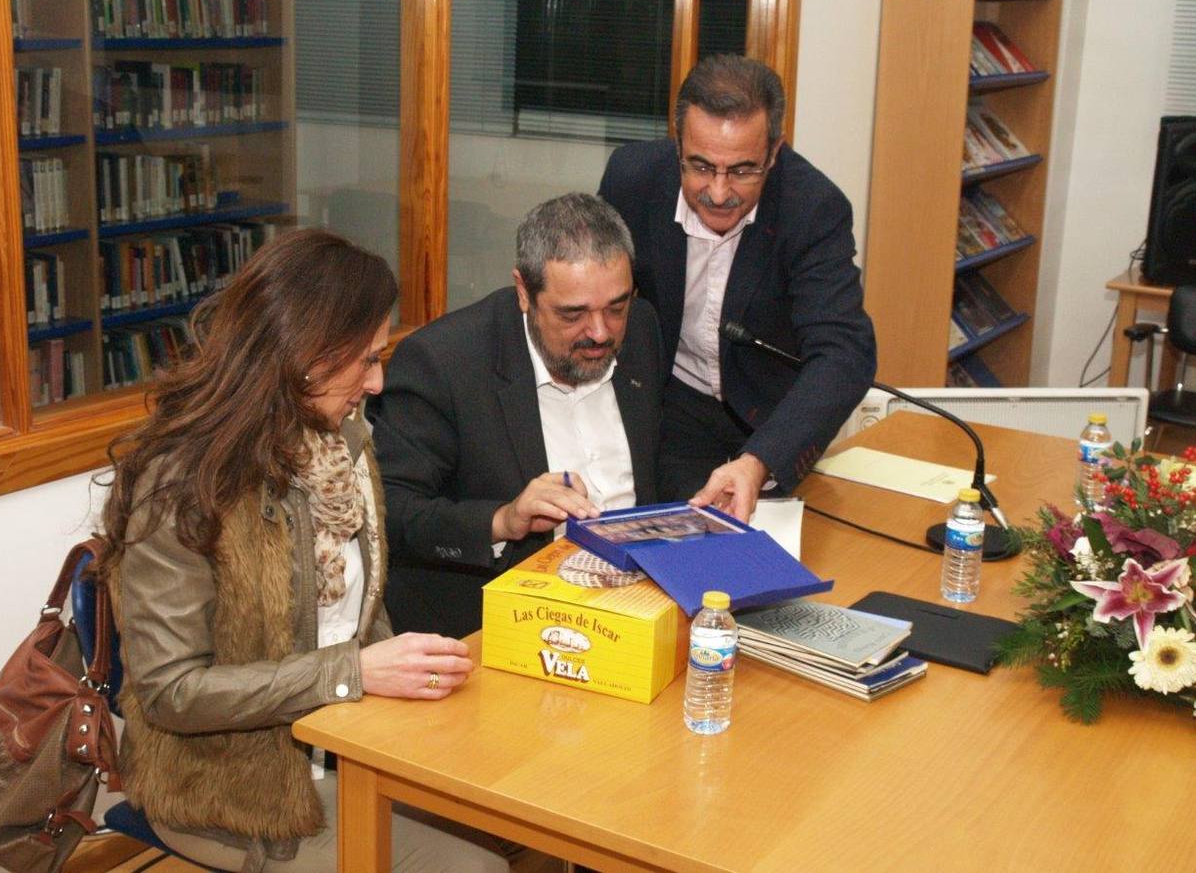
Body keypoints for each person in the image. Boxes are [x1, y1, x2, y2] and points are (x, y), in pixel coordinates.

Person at [95, 230, 507, 872]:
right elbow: (171, 692)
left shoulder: (344, 441)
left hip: (346, 748)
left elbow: (359, 612)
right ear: (306, 355)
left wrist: (400, 682)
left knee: (516, 808)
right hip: (234, 795)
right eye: (366, 360)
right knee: (476, 868)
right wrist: (354, 674)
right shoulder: (181, 485)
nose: (377, 383)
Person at [368, 193, 663, 638]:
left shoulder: (641, 327)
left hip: (636, 609)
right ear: (524, 292)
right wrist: (504, 519)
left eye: (616, 308)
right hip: (496, 630)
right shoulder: (442, 362)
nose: (600, 332)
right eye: (573, 314)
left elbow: (660, 457)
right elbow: (394, 514)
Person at [599, 54, 877, 523]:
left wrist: (760, 460)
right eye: (701, 166)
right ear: (678, 145)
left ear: (774, 152)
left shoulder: (812, 209)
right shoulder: (633, 180)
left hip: (774, 417)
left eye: (744, 170)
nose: (720, 192)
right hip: (672, 406)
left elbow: (844, 353)